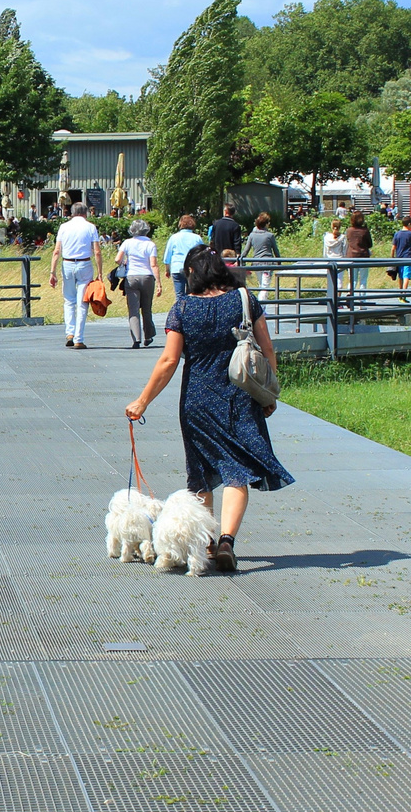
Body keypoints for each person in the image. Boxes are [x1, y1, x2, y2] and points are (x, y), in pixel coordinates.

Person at [124, 245, 293, 573]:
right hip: (241, 396)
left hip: (197, 400)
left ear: (191, 274)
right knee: (237, 471)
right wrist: (269, 392)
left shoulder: (183, 308)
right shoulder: (244, 299)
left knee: (200, 474)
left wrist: (143, 400)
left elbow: (170, 360)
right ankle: (228, 540)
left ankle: (207, 541)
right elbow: (267, 347)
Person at [49, 202, 103, 349]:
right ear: (85, 213)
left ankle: (70, 333)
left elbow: (56, 251)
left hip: (67, 263)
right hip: (84, 264)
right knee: (82, 302)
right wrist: (100, 272)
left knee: (68, 300)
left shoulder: (64, 227)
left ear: (71, 213)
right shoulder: (90, 227)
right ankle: (79, 338)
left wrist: (52, 272)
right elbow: (97, 251)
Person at [116, 219, 162, 349]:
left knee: (133, 309)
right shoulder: (150, 244)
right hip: (147, 277)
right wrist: (158, 283)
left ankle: (136, 339)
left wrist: (124, 262)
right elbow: (153, 264)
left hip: (131, 277)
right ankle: (148, 335)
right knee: (147, 308)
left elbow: (117, 259)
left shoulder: (127, 242)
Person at [162, 216, 204, 301]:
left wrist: (167, 269)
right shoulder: (197, 238)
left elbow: (168, 255)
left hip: (177, 267)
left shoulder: (174, 237)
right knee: (192, 293)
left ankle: (180, 312)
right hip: (192, 268)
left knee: (179, 295)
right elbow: (202, 254)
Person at [241, 212, 280, 300]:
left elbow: (246, 250)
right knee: (265, 287)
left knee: (261, 285)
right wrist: (279, 262)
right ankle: (261, 307)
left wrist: (240, 259)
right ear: (266, 224)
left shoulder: (252, 235)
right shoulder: (270, 236)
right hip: (267, 264)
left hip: (256, 264)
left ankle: (261, 307)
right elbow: (275, 250)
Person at [345, 211, 372, 298]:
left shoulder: (348, 231)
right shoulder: (365, 231)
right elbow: (370, 244)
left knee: (352, 280)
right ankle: (362, 302)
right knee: (363, 280)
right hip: (363, 256)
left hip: (351, 257)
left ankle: (350, 298)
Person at [391, 218, 411, 301]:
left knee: (401, 276)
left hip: (399, 258)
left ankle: (400, 292)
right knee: (406, 276)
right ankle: (404, 294)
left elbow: (393, 248)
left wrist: (392, 258)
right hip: (408, 257)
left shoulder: (397, 234)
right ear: (409, 224)